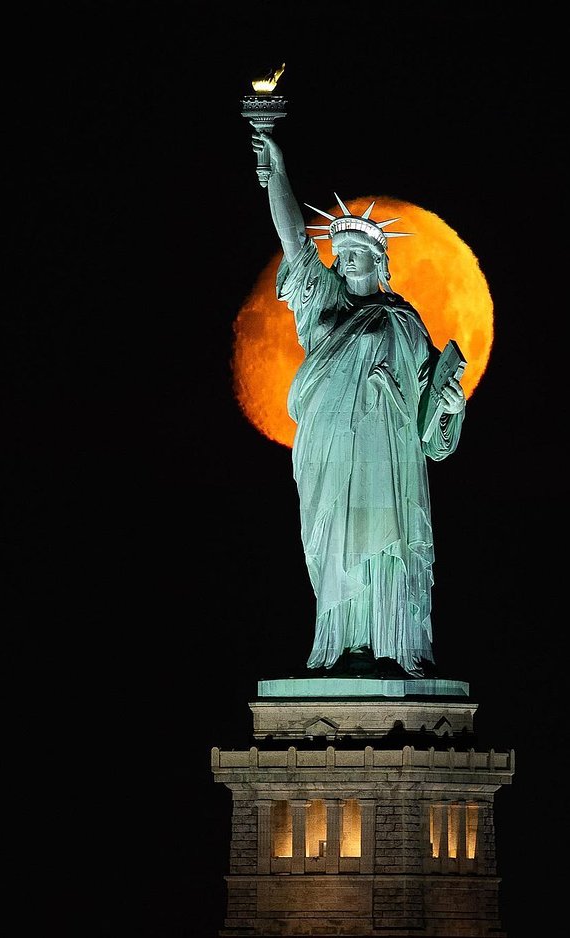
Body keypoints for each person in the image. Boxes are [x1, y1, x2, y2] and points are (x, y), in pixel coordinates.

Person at [251, 128, 466, 678]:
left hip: (390, 456)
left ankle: (388, 645)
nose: (343, 260)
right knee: (340, 541)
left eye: (355, 253)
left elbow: (431, 426)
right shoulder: (323, 303)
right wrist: (277, 172)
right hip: (333, 450)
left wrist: (449, 402)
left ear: (380, 261)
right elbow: (296, 242)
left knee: (384, 543)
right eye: (339, 253)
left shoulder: (405, 321)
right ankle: (345, 643)